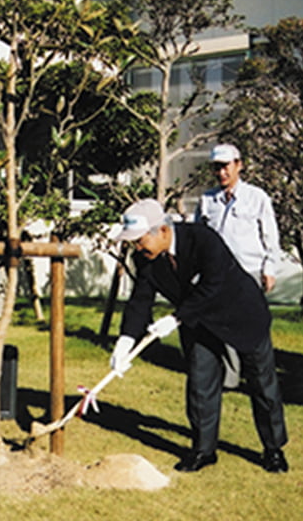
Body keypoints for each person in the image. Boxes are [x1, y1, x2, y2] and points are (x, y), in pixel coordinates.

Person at [109, 198, 288, 473]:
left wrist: (176, 318)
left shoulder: (204, 239)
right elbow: (139, 300)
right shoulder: (145, 259)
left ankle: (273, 449)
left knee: (263, 384)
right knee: (201, 384)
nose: (137, 246)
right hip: (199, 322)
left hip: (242, 315)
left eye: (140, 240)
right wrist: (126, 340)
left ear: (163, 231)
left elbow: (213, 285)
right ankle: (204, 450)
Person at [195, 143, 281, 388]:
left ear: (239, 165)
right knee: (222, 326)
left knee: (252, 325)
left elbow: (270, 237)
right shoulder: (207, 200)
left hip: (248, 271)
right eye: (217, 168)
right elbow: (199, 236)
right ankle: (231, 377)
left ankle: (258, 375)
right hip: (217, 274)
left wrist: (269, 268)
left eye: (226, 167)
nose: (222, 173)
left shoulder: (257, 197)